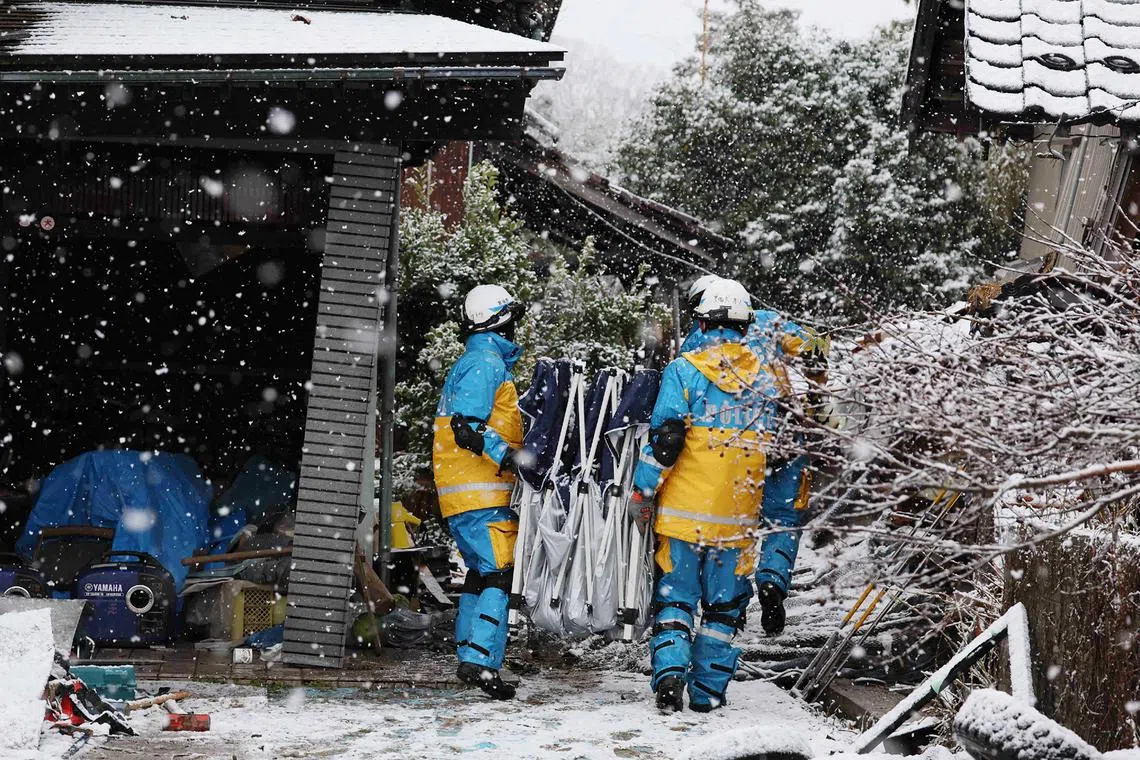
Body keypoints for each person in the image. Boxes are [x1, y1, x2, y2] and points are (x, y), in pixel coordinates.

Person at [628, 278, 781, 713]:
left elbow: (666, 442)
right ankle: (708, 692)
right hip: (736, 526)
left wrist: (642, 490)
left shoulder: (684, 370)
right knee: (722, 611)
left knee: (675, 599)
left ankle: (671, 675)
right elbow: (780, 459)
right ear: (746, 324)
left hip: (682, 517)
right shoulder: (766, 385)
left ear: (701, 321)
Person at [677, 275, 826, 636]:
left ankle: (734, 603)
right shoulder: (773, 322)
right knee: (783, 519)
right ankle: (773, 578)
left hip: (737, 441)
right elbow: (817, 346)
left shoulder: (698, 339)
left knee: (736, 526)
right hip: (785, 432)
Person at [432, 284, 525, 700]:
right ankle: (482, 664)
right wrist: (510, 457)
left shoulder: (471, 361)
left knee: (479, 574)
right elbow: (466, 428)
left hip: (462, 495)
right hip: (483, 493)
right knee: (498, 575)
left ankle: (470, 657)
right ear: (502, 322)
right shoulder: (486, 362)